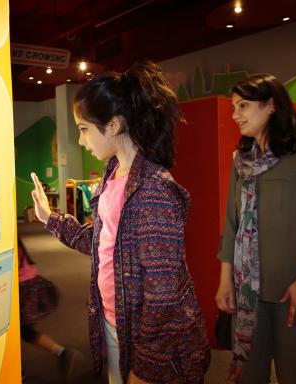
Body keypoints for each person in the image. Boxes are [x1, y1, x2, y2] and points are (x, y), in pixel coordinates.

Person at [31, 61, 210, 384]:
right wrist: (51, 219)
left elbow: (163, 294)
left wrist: (146, 368)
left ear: (113, 125)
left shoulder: (153, 191)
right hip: (116, 323)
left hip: (150, 344)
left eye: (84, 129)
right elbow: (102, 244)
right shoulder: (114, 177)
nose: (82, 141)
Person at [214, 73, 296, 383]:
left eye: (243, 106)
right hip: (250, 298)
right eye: (235, 107)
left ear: (271, 105)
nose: (235, 115)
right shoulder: (242, 161)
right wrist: (225, 280)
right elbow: (232, 224)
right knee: (247, 378)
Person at [17, 237, 82, 383]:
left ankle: (61, 353)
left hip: (21, 287)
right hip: (29, 282)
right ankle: (62, 352)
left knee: (17, 331)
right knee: (24, 331)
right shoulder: (13, 237)